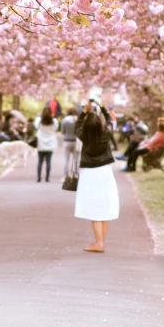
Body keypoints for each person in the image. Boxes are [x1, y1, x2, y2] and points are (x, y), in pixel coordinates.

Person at [74, 99, 119, 252]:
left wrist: (84, 112)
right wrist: (103, 108)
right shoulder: (105, 133)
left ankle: (99, 243)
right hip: (104, 171)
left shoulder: (83, 136)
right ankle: (100, 242)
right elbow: (110, 121)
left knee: (94, 207)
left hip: (89, 173)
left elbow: (77, 127)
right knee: (104, 207)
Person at [33, 106, 58, 182]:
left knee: (40, 161)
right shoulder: (54, 121)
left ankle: (39, 178)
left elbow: (36, 127)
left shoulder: (39, 120)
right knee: (48, 161)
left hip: (40, 142)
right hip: (50, 143)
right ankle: (47, 178)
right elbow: (56, 128)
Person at [61, 107, 79, 177]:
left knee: (66, 160)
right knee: (76, 159)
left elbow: (63, 131)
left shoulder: (65, 120)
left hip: (67, 141)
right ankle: (76, 174)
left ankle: (65, 176)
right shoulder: (77, 119)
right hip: (75, 141)